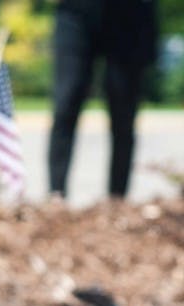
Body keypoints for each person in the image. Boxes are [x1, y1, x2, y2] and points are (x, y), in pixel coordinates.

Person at [48, 0, 159, 200]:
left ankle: (117, 198)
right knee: (66, 102)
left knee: (123, 112)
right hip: (76, 12)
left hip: (130, 17)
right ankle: (56, 195)